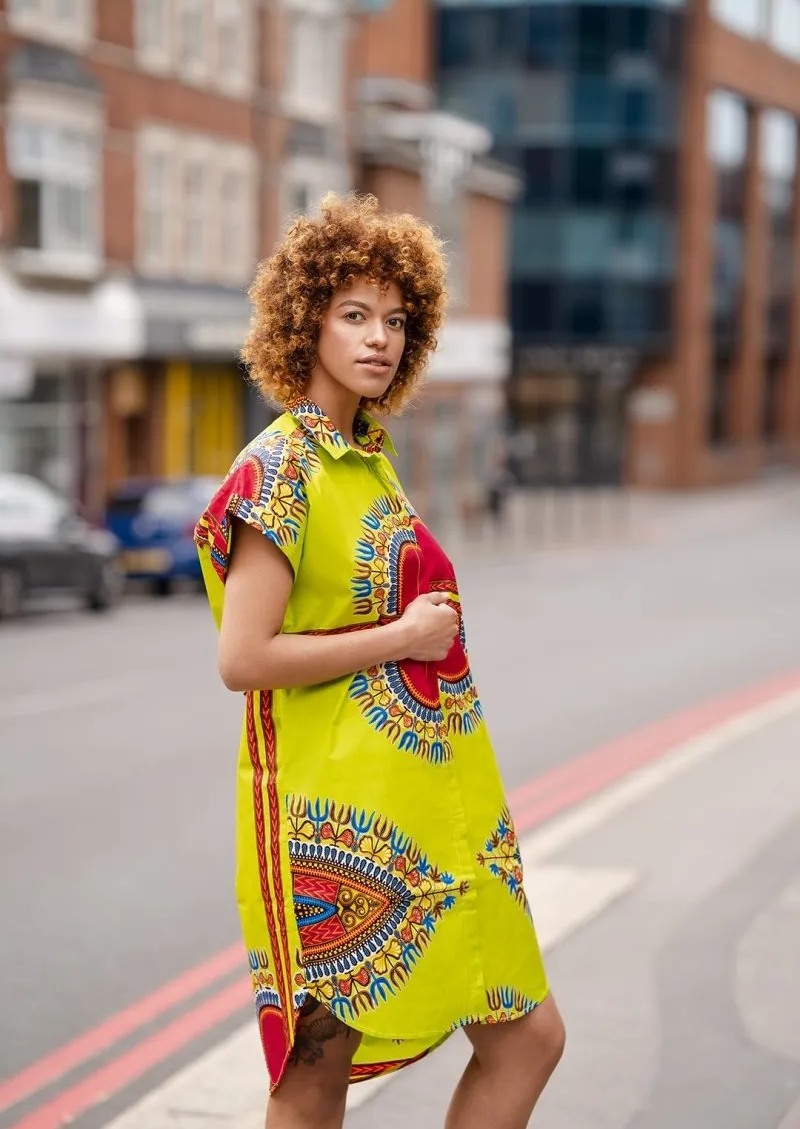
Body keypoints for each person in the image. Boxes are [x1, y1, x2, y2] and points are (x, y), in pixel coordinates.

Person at [195, 194, 565, 1129]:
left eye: (397, 320)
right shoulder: (276, 471)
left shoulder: (366, 458)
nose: (380, 339)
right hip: (329, 826)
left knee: (528, 1035)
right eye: (354, 315)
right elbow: (242, 659)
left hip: (432, 814)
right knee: (315, 1076)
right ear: (304, 318)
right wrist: (403, 639)